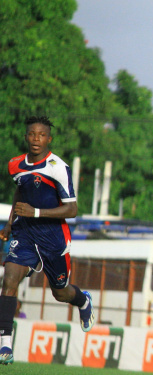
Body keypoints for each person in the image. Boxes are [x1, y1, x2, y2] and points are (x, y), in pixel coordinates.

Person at [0, 116, 95, 366]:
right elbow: (20, 191)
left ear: (49, 139)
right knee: (9, 278)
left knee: (60, 293)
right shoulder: (14, 165)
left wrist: (37, 212)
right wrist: (10, 224)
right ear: (26, 137)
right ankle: (5, 345)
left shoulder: (57, 167)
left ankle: (83, 300)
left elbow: (72, 209)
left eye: (41, 135)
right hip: (25, 234)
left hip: (53, 239)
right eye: (32, 134)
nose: (36, 139)